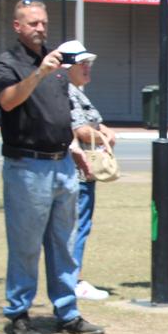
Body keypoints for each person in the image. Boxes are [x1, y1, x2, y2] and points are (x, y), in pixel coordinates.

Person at [0, 0, 103, 334]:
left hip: (61, 166)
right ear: (18, 26)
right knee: (26, 245)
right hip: (27, 167)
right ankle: (19, 315)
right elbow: (8, 101)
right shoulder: (9, 62)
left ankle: (67, 313)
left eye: (43, 22)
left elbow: (61, 114)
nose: (40, 28)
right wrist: (38, 72)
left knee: (64, 245)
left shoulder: (57, 64)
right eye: (33, 23)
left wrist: (73, 149)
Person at [61, 39, 116, 301]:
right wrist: (101, 134)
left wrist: (103, 131)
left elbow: (93, 124)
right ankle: (72, 280)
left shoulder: (77, 91)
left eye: (88, 63)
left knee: (80, 225)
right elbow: (79, 129)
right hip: (78, 171)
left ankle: (71, 278)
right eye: (82, 63)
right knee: (77, 226)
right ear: (67, 66)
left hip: (84, 171)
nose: (87, 67)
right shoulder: (67, 92)